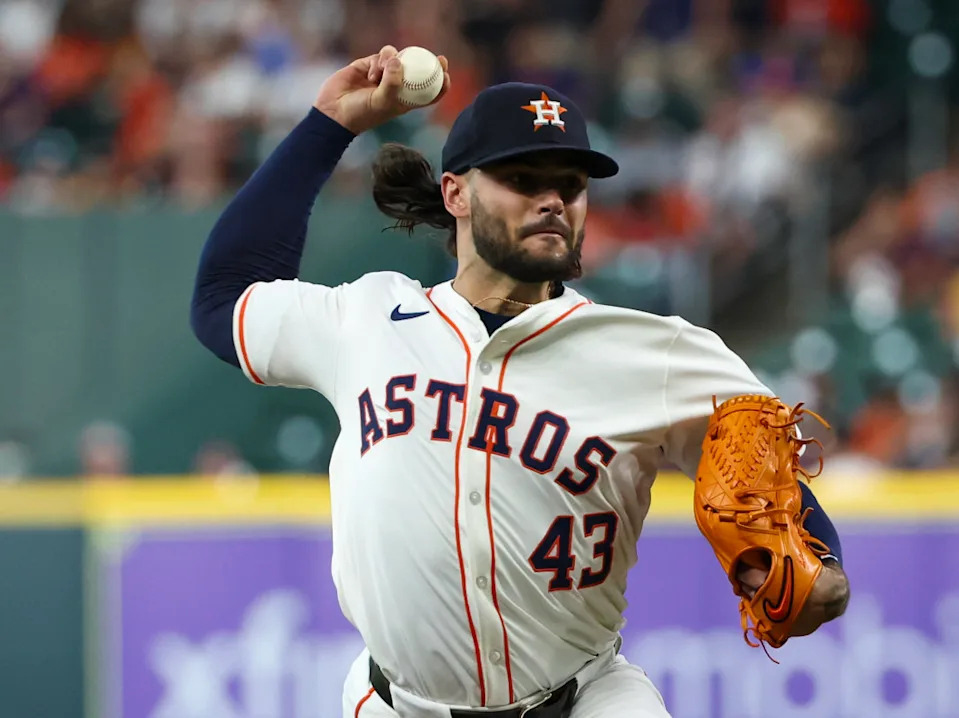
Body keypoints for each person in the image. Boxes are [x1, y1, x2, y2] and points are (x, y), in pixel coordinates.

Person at [191, 45, 850, 718]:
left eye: (570, 185)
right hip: (398, 705)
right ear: (455, 193)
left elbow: (774, 496)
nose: (551, 200)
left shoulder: (656, 353)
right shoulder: (367, 318)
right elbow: (222, 299)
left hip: (587, 700)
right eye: (522, 179)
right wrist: (329, 125)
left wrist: (820, 571)